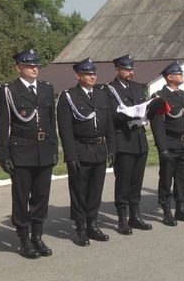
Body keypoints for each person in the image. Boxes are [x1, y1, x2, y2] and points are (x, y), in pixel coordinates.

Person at [0, 49, 58, 258]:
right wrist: (3, 156)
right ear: (18, 67)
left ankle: (37, 236)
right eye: (29, 65)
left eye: (36, 65)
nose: (34, 68)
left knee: (41, 196)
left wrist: (53, 147)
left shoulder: (47, 88)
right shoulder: (8, 91)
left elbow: (51, 121)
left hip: (44, 151)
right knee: (21, 198)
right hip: (21, 151)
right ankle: (23, 238)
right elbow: (2, 126)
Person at [57, 58, 116, 246]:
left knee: (95, 191)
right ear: (78, 75)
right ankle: (80, 227)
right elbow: (65, 130)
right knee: (79, 191)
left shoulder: (101, 95)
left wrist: (111, 149)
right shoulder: (69, 97)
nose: (92, 76)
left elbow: (109, 125)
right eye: (88, 74)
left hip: (99, 149)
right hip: (81, 150)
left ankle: (92, 224)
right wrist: (71, 155)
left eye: (94, 73)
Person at [147, 61, 184, 226]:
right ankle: (166, 210)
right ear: (169, 77)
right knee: (166, 178)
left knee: (182, 178)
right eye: (178, 73)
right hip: (170, 144)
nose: (182, 75)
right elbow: (157, 124)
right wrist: (162, 148)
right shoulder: (160, 97)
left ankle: (181, 208)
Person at [104, 54, 152, 235]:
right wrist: (131, 113)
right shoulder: (110, 90)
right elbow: (111, 116)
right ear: (117, 69)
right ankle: (122, 219)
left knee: (136, 182)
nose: (130, 72)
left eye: (131, 69)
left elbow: (144, 108)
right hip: (123, 140)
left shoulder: (138, 88)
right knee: (123, 182)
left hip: (139, 140)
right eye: (126, 69)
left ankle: (135, 215)